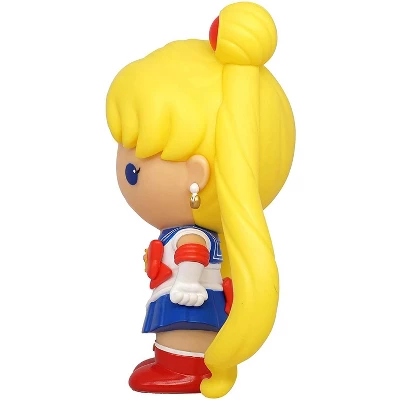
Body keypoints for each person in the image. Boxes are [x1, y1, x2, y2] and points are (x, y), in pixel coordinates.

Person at [106, 2, 295, 397]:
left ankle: (183, 369)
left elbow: (191, 257)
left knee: (181, 330)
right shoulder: (199, 236)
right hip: (182, 290)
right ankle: (167, 360)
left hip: (188, 300)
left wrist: (187, 283)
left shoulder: (194, 237)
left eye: (135, 169)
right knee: (173, 331)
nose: (125, 173)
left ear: (197, 176)